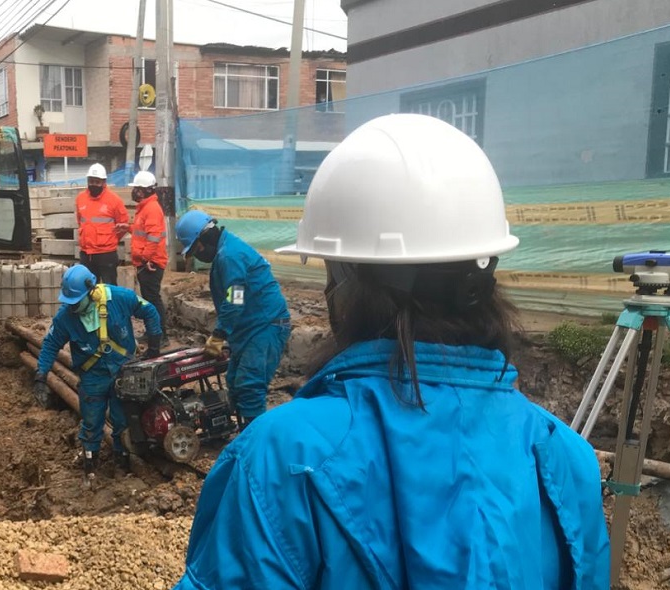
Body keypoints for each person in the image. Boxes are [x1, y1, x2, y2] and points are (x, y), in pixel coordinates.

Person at [175, 114, 610, 589]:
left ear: (344, 281)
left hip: (256, 330)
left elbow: (236, 305)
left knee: (247, 386)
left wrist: (225, 336)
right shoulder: (568, 459)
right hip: (254, 330)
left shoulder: (282, 458)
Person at [33, 264, 162, 487]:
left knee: (123, 419)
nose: (73, 307)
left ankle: (122, 462)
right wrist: (41, 375)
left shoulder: (119, 298)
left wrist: (154, 347)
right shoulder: (66, 317)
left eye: (76, 302)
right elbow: (51, 344)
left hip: (124, 369)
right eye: (69, 303)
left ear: (91, 291)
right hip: (93, 375)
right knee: (92, 421)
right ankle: (90, 465)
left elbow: (149, 311)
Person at [175, 209, 291, 430]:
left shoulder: (230, 256)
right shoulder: (225, 252)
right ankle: (239, 431)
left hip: (266, 325)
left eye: (196, 250)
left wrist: (219, 334)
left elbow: (236, 297)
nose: (198, 255)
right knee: (234, 382)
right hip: (251, 327)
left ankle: (254, 440)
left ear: (203, 240)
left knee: (249, 385)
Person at [75, 163, 129, 285]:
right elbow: (80, 221)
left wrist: (109, 239)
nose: (93, 184)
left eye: (97, 182)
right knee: (88, 290)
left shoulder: (114, 200)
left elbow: (123, 225)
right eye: (91, 181)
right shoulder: (80, 198)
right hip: (86, 254)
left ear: (104, 182)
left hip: (106, 254)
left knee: (109, 289)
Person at [128, 170, 168, 329]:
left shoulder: (151, 208)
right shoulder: (145, 208)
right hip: (147, 261)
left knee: (152, 300)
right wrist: (128, 228)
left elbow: (153, 237)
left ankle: (159, 334)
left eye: (138, 188)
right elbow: (143, 233)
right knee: (150, 299)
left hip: (151, 263)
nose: (135, 191)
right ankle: (155, 332)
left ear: (148, 190)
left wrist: (146, 259)